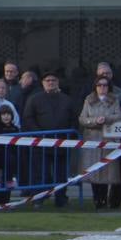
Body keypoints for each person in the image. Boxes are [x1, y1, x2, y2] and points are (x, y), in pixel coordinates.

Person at [22, 71, 74, 207]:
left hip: (62, 142)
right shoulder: (34, 99)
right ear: (43, 83)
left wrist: (70, 136)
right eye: (48, 80)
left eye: (53, 80)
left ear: (58, 82)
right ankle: (38, 199)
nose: (51, 83)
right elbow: (28, 118)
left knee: (61, 174)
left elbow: (73, 119)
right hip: (41, 143)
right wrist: (39, 133)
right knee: (40, 173)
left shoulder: (66, 99)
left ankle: (61, 198)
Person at [77, 77, 121, 209]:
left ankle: (104, 199)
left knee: (107, 171)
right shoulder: (89, 99)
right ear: (95, 86)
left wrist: (106, 119)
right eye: (99, 85)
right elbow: (82, 118)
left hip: (109, 139)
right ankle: (96, 199)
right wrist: (94, 121)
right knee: (94, 170)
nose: (102, 87)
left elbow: (119, 116)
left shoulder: (114, 99)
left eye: (105, 85)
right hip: (92, 138)